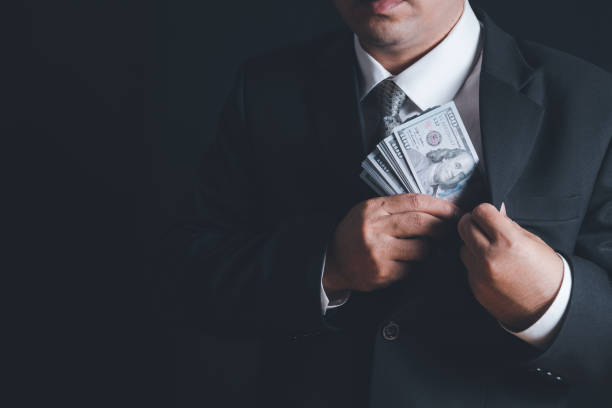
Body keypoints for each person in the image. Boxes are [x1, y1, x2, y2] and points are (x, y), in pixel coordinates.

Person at [168, 0, 612, 406]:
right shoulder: (264, 89)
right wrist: (328, 266)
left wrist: (550, 301)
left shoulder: (595, 103)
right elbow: (193, 277)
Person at [406, 147, 476, 199]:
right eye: (457, 166)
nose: (455, 174)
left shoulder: (432, 199)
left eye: (461, 175)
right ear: (447, 158)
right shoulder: (413, 157)